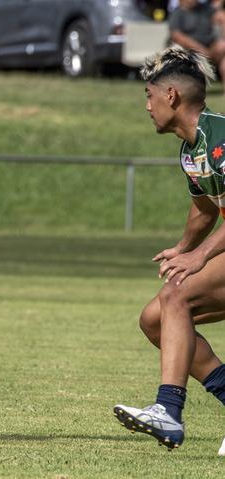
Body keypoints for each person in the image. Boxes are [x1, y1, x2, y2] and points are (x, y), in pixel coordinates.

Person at [113, 47, 225, 455]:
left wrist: (200, 258)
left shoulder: (221, 137)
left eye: (149, 95)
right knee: (156, 319)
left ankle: (168, 410)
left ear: (172, 96)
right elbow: (204, 208)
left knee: (176, 294)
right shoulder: (191, 149)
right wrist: (183, 247)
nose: (147, 106)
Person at [168, 0, 225, 93]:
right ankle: (193, 92)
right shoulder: (177, 13)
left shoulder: (205, 9)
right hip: (189, 49)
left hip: (210, 46)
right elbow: (176, 35)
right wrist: (199, 48)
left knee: (223, 48)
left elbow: (222, 17)